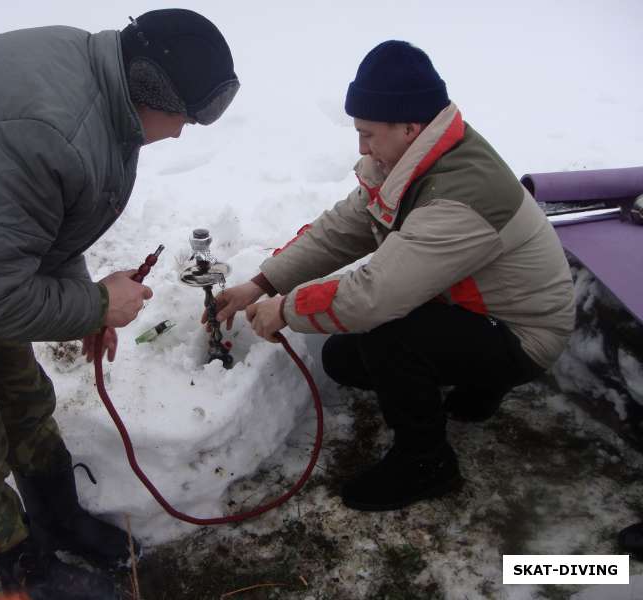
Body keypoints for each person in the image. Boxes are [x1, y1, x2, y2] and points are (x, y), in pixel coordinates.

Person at [0, 9, 238, 599]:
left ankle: (58, 519)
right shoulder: (40, 128)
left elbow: (39, 219)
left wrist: (84, 301)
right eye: (185, 116)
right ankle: (27, 570)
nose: (183, 132)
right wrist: (95, 304)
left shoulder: (98, 86)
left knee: (24, 401)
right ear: (151, 86)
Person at [210, 40, 574, 513]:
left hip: (525, 333)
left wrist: (284, 310)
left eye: (368, 135)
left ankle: (426, 463)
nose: (360, 147)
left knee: (387, 338)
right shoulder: (415, 157)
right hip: (476, 310)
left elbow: (373, 297)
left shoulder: (461, 197)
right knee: (345, 358)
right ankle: (478, 389)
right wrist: (262, 283)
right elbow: (347, 226)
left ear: (410, 127)